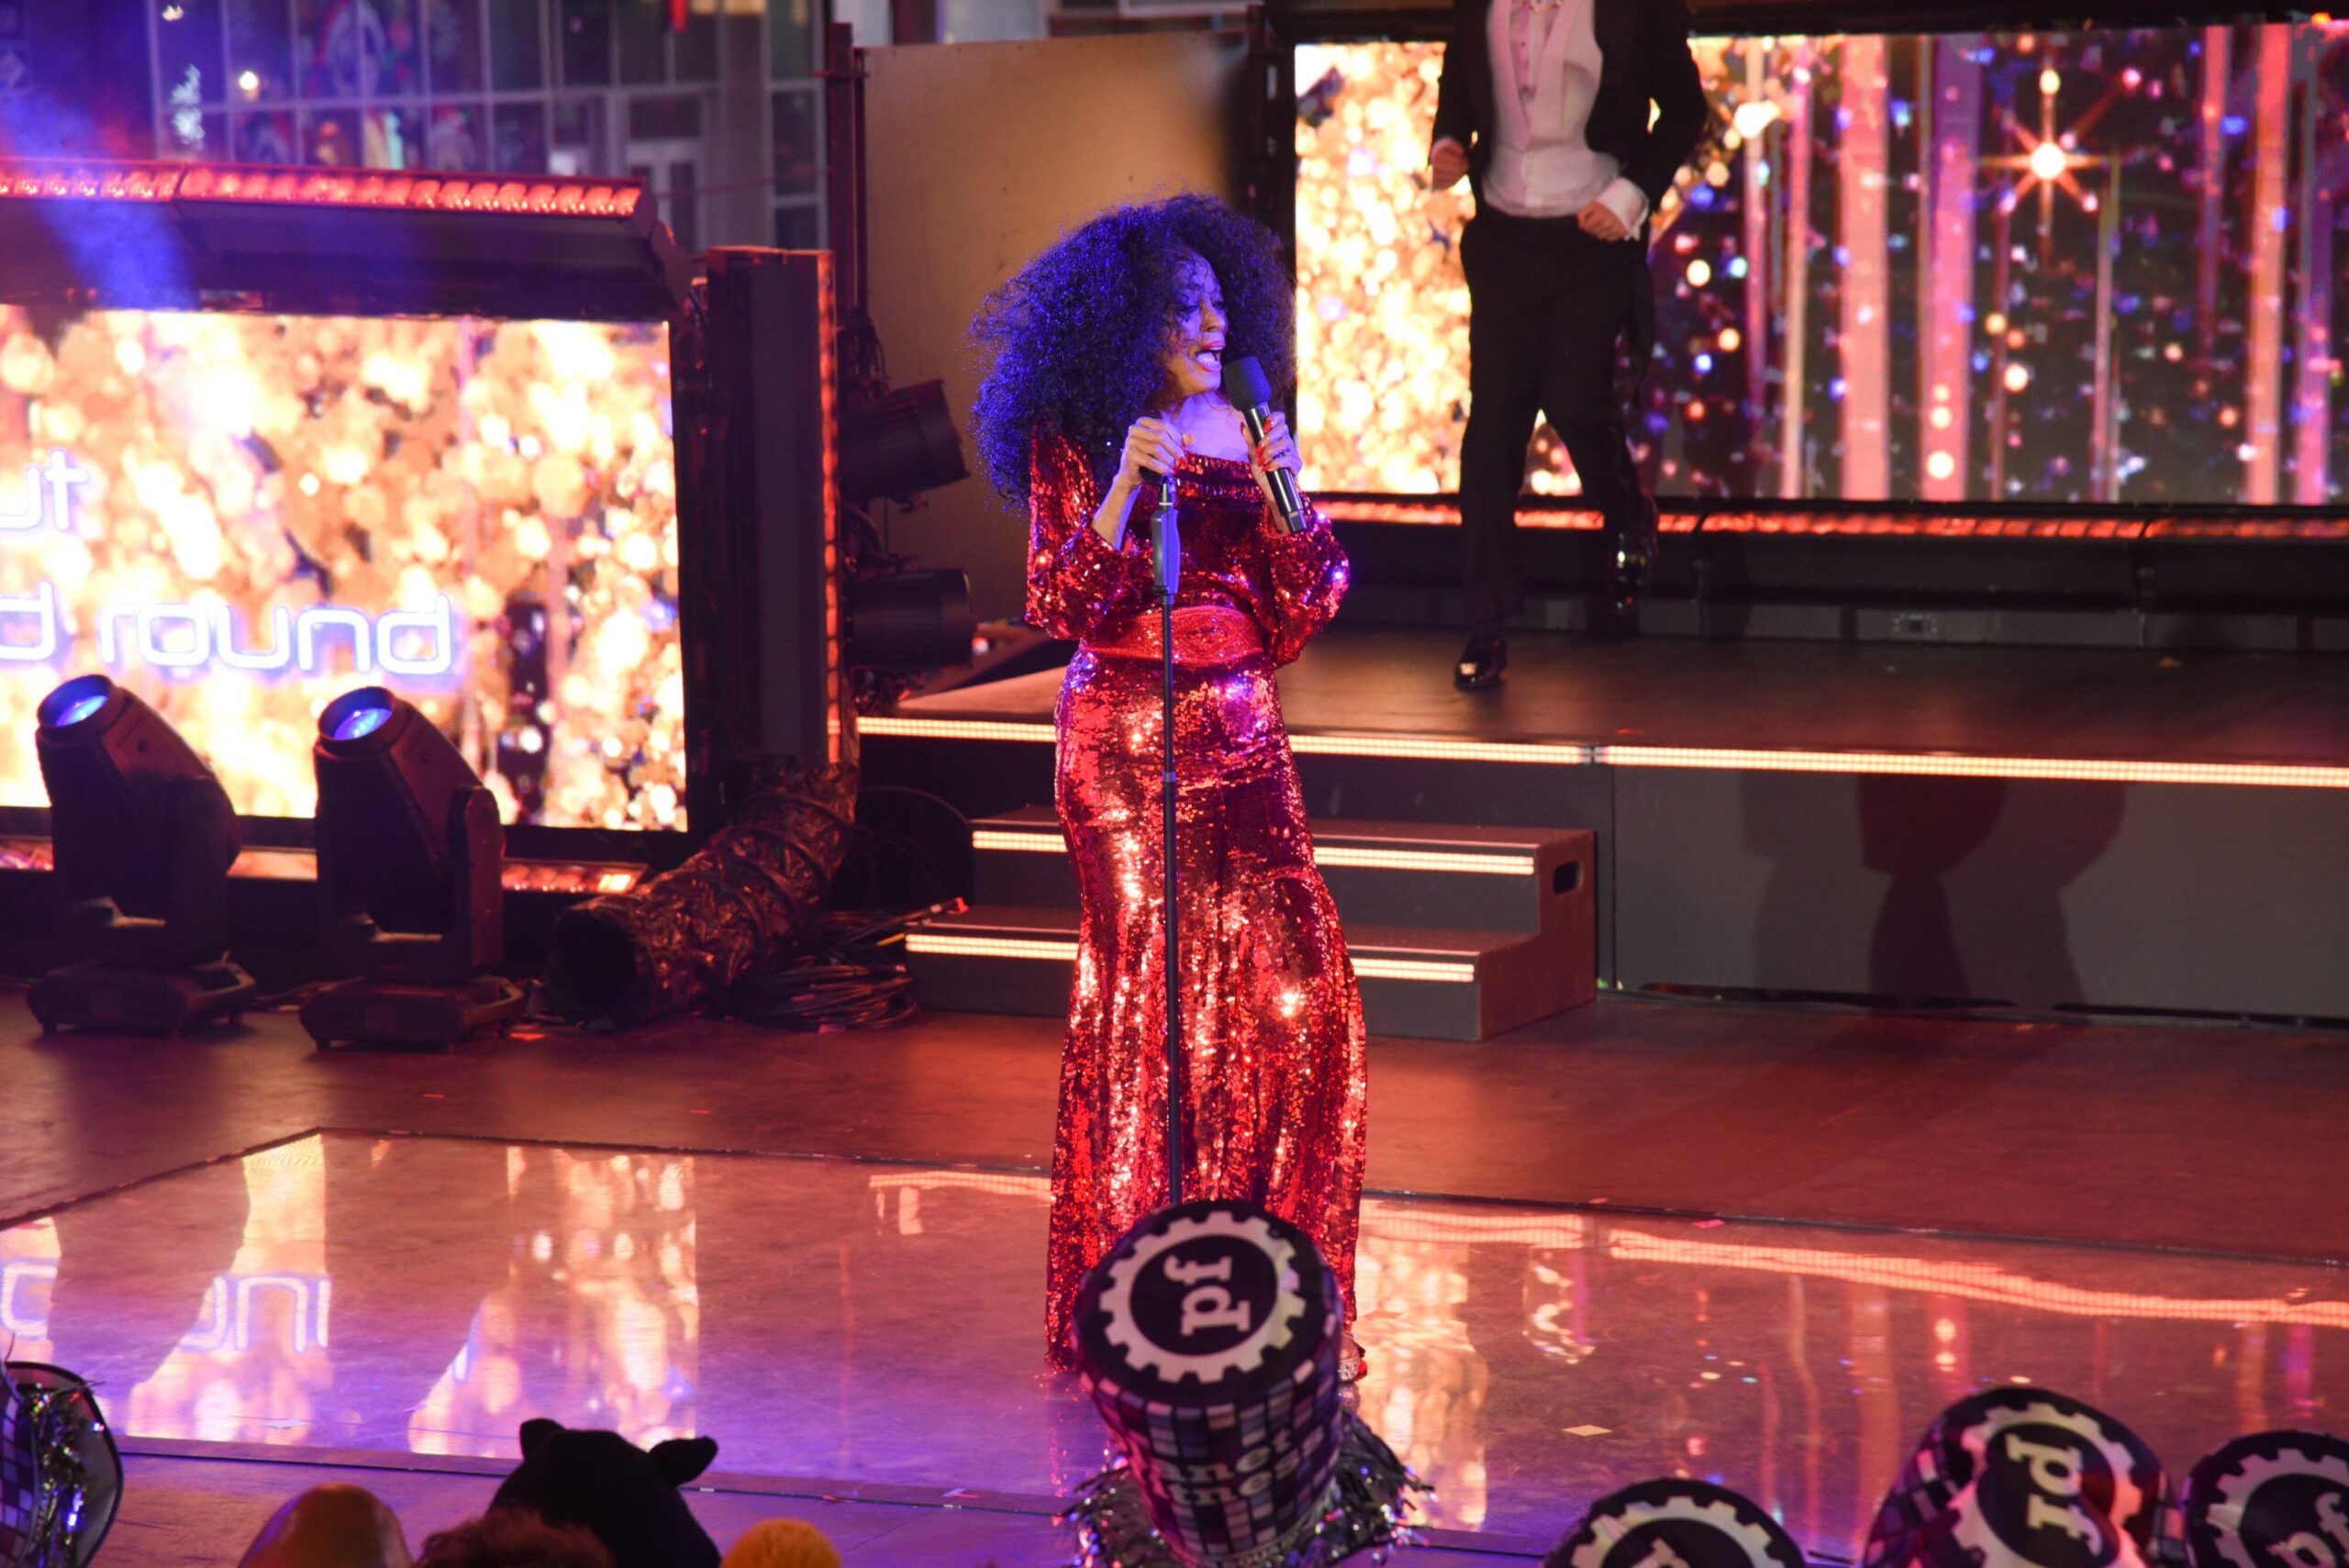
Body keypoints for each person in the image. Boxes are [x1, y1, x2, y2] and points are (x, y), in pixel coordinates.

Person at [971, 195, 1368, 1370]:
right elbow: (1061, 600)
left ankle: (1284, 1290)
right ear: (1127, 323)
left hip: (1246, 736)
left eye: (1217, 300)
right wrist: (1122, 488)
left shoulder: (1250, 428)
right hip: (1125, 744)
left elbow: (1309, 605)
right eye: (1183, 305)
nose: (1211, 320)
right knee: (1154, 1009)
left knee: (1302, 1001)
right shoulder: (1080, 432)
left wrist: (1287, 493)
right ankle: (1138, 1302)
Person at [1430, 0, 1707, 684]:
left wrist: (1631, 194)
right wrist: (1448, 140)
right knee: (1493, 426)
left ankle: (1628, 513)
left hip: (1591, 235)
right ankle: (1486, 624)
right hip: (1502, 236)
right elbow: (1460, 72)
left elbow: (1684, 110)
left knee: (1575, 402)